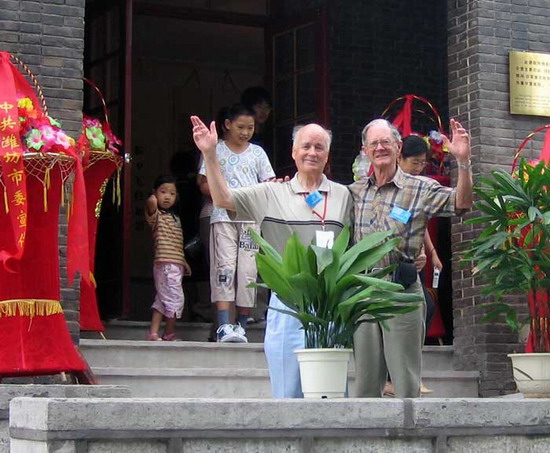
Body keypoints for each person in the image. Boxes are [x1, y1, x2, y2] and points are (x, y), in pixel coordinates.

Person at [191, 116, 352, 397]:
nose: (312, 152)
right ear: (293, 152)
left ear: (328, 155)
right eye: (306, 146)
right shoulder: (272, 192)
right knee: (288, 391)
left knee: (330, 395)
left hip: (329, 305)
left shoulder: (345, 195)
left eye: (319, 147)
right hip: (288, 302)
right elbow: (223, 199)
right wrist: (210, 154)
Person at [350, 118, 472, 398]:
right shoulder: (354, 192)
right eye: (374, 143)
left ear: (398, 146)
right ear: (365, 150)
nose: (380, 147)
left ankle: (408, 438)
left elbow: (461, 203)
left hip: (401, 291)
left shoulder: (419, 188)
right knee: (366, 384)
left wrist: (463, 162)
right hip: (364, 292)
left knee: (405, 383)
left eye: (386, 142)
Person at [198, 104, 276, 343]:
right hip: (222, 218)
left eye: (250, 128)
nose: (245, 132)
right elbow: (202, 183)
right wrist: (225, 196)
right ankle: (223, 326)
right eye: (241, 127)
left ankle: (241, 326)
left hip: (251, 220)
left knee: (248, 271)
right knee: (224, 268)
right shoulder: (215, 150)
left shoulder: (258, 153)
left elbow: (269, 182)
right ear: (227, 125)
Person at [145, 174, 192, 341]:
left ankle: (153, 332)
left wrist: (183, 262)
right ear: (155, 193)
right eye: (163, 192)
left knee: (162, 299)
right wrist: (152, 196)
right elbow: (151, 204)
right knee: (176, 299)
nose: (167, 197)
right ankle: (169, 333)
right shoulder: (156, 216)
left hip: (175, 264)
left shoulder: (175, 218)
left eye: (172, 194)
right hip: (165, 265)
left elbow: (176, 245)